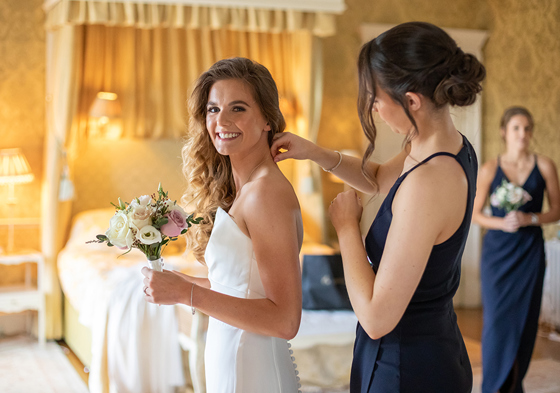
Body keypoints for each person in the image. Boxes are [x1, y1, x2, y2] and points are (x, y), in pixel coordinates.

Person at [271, 21, 485, 392]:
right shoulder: (445, 144)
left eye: (376, 98)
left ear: (412, 100)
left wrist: (346, 227)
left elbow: (375, 317)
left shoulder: (428, 183)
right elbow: (379, 179)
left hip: (407, 366)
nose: (373, 108)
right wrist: (315, 153)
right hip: (432, 344)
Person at [141, 57, 304, 393]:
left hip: (254, 371)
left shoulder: (265, 194)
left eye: (238, 108)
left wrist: (188, 294)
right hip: (234, 363)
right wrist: (178, 283)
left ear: (268, 120)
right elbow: (240, 288)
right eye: (213, 109)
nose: (222, 121)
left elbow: (285, 320)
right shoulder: (246, 190)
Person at [473, 106, 560, 393]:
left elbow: (557, 210)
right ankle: (493, 386)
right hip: (497, 255)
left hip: (530, 254)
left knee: (525, 319)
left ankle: (514, 385)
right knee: (496, 323)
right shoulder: (489, 168)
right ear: (504, 132)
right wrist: (501, 223)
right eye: (516, 128)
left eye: (527, 128)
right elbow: (474, 214)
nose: (522, 134)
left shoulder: (545, 165)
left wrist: (531, 218)